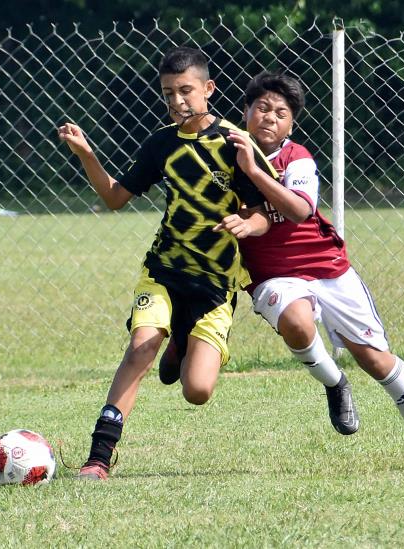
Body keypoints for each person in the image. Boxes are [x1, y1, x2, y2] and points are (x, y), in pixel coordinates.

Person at [58, 47, 280, 481]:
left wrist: (248, 224)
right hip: (164, 269)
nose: (178, 101)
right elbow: (115, 198)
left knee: (197, 391)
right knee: (141, 347)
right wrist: (87, 154)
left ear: (208, 90)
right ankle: (98, 458)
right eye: (168, 94)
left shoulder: (236, 144)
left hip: (215, 282)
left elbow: (266, 213)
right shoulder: (162, 143)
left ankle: (181, 341)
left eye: (186, 91)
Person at [222, 72, 404, 472]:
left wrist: (256, 173)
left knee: (376, 362)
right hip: (275, 275)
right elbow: (244, 212)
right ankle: (334, 383)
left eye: (280, 112)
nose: (269, 118)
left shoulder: (297, 158)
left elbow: (299, 210)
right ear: (245, 112)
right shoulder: (226, 155)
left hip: (327, 268)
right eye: (261, 108)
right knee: (296, 322)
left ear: (291, 123)